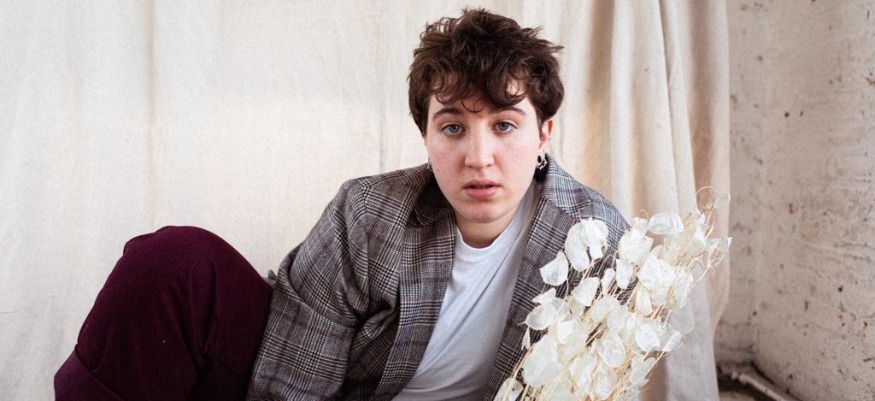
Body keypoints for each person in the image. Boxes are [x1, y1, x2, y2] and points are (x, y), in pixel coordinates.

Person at [55, 8, 628, 401]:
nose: (479, 158)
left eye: (504, 125)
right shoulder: (371, 214)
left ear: (545, 133)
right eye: (453, 128)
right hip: (316, 381)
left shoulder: (598, 242)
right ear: (426, 137)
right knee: (175, 260)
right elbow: (291, 385)